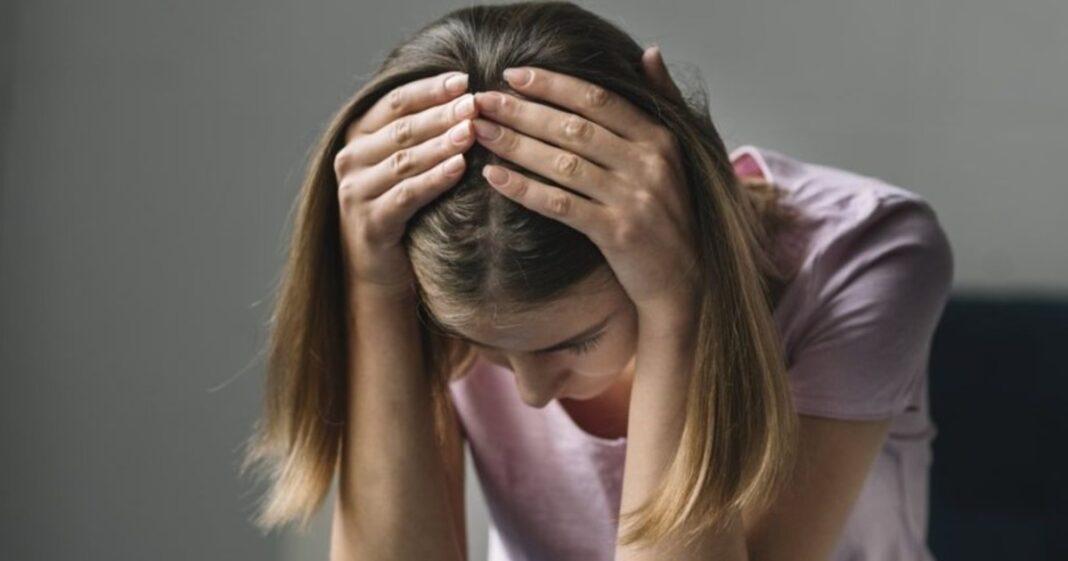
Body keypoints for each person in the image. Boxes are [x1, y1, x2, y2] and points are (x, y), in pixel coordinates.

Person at [239, 2, 954, 561]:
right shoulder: (427, 283)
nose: (530, 391)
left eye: (573, 340)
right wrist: (373, 283)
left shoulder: (871, 253)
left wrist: (679, 297)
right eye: (479, 346)